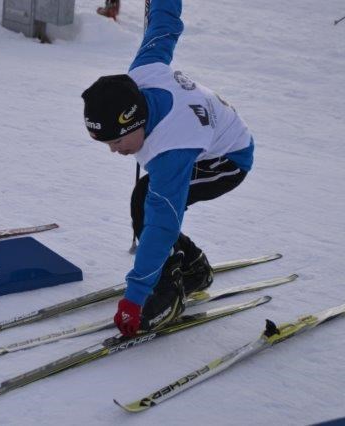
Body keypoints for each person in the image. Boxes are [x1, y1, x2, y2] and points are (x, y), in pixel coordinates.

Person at [81, 0, 255, 337]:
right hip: (202, 142)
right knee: (145, 199)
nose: (115, 152)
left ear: (136, 121)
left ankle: (166, 291)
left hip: (229, 160)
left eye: (117, 142)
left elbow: (163, 221)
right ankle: (192, 268)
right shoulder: (142, 74)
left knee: (153, 206)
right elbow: (164, 26)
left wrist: (135, 297)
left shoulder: (171, 149)